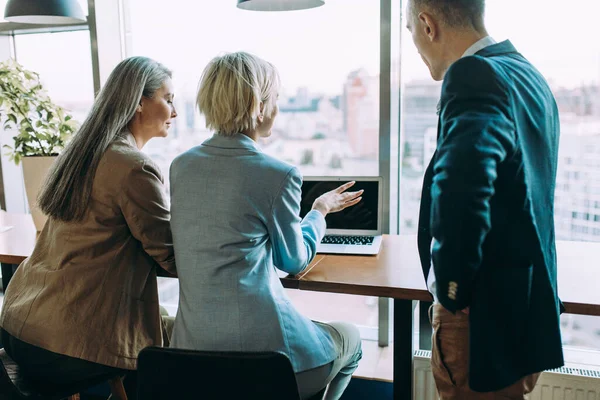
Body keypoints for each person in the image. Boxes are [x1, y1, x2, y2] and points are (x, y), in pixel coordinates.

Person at [169, 51, 362, 400]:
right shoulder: (278, 174)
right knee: (352, 339)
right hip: (267, 364)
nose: (278, 108)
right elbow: (293, 261)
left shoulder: (180, 167)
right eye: (275, 99)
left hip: (193, 360)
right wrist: (318, 212)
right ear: (259, 105)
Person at [407, 0, 564, 398]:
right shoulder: (526, 72)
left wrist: (453, 292)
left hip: (479, 319)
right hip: (523, 309)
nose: (414, 45)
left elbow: (461, 186)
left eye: (410, 32)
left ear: (427, 25)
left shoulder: (472, 74)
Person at [0, 56, 178, 398]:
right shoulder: (134, 168)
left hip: (20, 325)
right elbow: (169, 256)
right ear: (140, 102)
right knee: (183, 341)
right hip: (65, 346)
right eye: (168, 99)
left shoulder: (83, 153)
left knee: (162, 319)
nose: (174, 111)